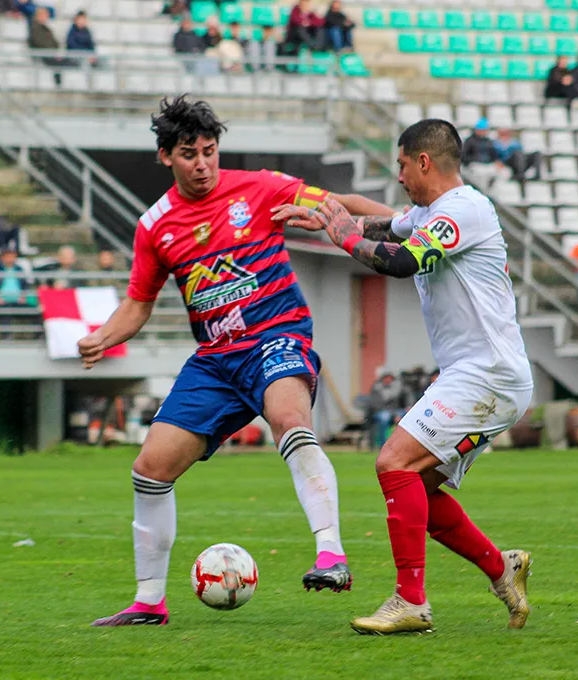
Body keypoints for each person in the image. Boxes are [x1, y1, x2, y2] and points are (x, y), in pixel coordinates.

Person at [80, 95, 392, 626]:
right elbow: (138, 303)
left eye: (209, 151)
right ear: (165, 157)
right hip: (216, 361)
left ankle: (331, 555)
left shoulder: (261, 187)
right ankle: (149, 602)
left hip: (276, 336)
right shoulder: (155, 226)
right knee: (150, 470)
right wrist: (102, 337)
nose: (202, 164)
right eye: (189, 154)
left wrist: (414, 227)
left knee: (289, 419)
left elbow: (340, 204)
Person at [272, 118, 533, 635]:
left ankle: (411, 601)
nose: (397, 175)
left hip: (488, 373)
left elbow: (401, 260)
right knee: (420, 493)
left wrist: (342, 233)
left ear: (423, 162)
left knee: (393, 463)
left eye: (401, 164)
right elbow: (383, 224)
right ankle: (502, 569)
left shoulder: (464, 209)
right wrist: (326, 214)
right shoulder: (431, 214)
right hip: (478, 373)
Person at [29, 6, 71, 86]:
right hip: (42, 55)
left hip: (50, 54)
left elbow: (54, 42)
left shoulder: (46, 28)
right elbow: (38, 43)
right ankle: (58, 85)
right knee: (59, 63)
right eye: (44, 15)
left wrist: (57, 49)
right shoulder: (35, 28)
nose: (46, 17)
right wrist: (53, 51)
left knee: (67, 61)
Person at [461, 118, 503, 187]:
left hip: (488, 165)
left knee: (501, 172)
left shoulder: (489, 141)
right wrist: (473, 161)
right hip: (474, 166)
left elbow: (494, 155)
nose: (483, 132)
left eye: (484, 130)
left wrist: (497, 161)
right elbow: (464, 156)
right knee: (481, 175)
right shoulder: (470, 141)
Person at [368, 369, 403, 449]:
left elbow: (397, 404)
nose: (388, 379)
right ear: (383, 379)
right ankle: (383, 445)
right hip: (379, 411)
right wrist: (392, 414)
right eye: (386, 378)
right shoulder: (376, 388)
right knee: (384, 418)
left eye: (390, 378)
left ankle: (400, 445)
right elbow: (375, 404)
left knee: (404, 417)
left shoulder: (396, 389)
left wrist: (395, 414)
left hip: (393, 411)